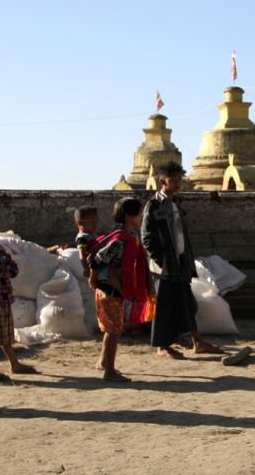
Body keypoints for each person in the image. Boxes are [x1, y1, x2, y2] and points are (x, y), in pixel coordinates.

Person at [142, 162, 222, 359]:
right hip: (165, 267)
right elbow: (147, 237)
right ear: (162, 181)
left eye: (180, 180)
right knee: (164, 307)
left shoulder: (176, 203)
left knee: (187, 303)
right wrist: (162, 261)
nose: (178, 184)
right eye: (174, 180)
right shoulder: (153, 205)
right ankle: (162, 346)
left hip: (180, 263)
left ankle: (197, 341)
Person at [87, 197, 152, 382]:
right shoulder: (120, 240)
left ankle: (103, 362)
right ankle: (110, 371)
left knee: (113, 328)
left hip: (115, 288)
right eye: (139, 214)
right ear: (128, 216)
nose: (141, 217)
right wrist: (93, 278)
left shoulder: (130, 237)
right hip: (110, 290)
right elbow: (96, 260)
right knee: (113, 330)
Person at [0, 214, 37, 381]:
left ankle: (14, 364)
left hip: (2, 298)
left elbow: (13, 269)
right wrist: (4, 272)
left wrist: (4, 272)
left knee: (6, 334)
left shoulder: (1, 250)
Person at [74, 205, 99, 277]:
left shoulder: (92, 235)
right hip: (93, 268)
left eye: (96, 221)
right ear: (81, 222)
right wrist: (86, 268)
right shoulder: (82, 238)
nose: (95, 224)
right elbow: (82, 255)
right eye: (93, 222)